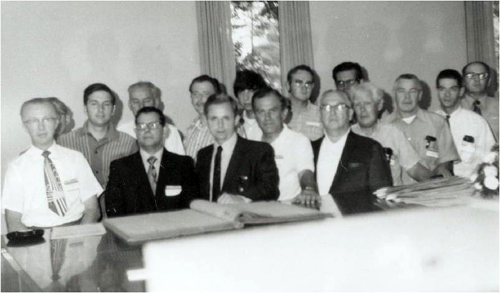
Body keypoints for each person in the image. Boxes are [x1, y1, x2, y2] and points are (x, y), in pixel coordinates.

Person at [3, 98, 102, 231]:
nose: (41, 126)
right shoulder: (16, 168)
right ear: (25, 126)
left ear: (56, 123)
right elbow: (13, 221)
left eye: (47, 119)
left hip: (77, 231)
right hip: (35, 235)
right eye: (33, 121)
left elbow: (92, 209)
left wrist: (79, 235)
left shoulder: (76, 159)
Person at [105, 107, 198, 217]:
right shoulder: (120, 167)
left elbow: (191, 205)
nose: (147, 130)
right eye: (141, 126)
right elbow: (114, 211)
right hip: (133, 232)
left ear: (164, 131)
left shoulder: (183, 164)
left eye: (153, 125)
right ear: (136, 132)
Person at [312, 90, 392, 214]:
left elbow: (382, 198)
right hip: (314, 226)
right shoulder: (309, 149)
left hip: (355, 227)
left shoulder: (370, 148)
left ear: (350, 114)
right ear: (319, 114)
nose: (332, 112)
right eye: (327, 107)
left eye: (339, 107)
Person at [196, 94, 279, 203]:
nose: (220, 125)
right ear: (207, 122)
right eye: (214, 119)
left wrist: (242, 198)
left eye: (226, 118)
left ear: (236, 120)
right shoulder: (203, 155)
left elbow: (271, 190)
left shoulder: (258, 151)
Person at [349, 82, 432, 185]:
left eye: (367, 103)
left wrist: (439, 182)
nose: (362, 109)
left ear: (379, 106)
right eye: (357, 104)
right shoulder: (347, 136)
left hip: (392, 196)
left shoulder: (392, 133)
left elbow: (414, 169)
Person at [383, 74, 460, 184]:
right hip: (395, 194)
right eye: (401, 91)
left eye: (412, 91)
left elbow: (447, 159)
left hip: (429, 193)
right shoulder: (383, 127)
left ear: (420, 95)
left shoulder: (437, 122)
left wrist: (442, 169)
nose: (407, 97)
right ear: (394, 94)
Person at [58, 83, 137, 188]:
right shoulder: (64, 142)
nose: (100, 109)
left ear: (113, 110)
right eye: (94, 104)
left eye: (106, 104)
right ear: (85, 108)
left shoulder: (129, 143)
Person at [252, 87, 319, 207]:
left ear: (283, 113)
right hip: (257, 210)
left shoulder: (299, 141)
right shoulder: (250, 139)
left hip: (289, 210)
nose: (267, 117)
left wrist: (308, 189)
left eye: (272, 110)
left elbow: (305, 172)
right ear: (255, 115)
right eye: (261, 112)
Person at [435, 69, 495, 178]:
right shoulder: (429, 121)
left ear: (461, 91)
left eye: (453, 89)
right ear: (437, 91)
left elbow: (491, 158)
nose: (447, 94)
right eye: (442, 89)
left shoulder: (477, 122)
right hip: (436, 185)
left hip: (468, 184)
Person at [117, 81, 185, 155]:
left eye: (146, 101)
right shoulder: (121, 132)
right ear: (130, 105)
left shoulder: (170, 131)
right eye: (136, 102)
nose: (141, 106)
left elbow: (178, 164)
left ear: (156, 102)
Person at [184, 75, 221, 160]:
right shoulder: (191, 129)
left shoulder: (226, 127)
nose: (200, 99)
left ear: (216, 96)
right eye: (195, 94)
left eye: (205, 94)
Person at [460, 61, 499, 140]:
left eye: (482, 75)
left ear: (489, 81)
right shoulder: (455, 108)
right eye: (471, 75)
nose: (477, 79)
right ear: (463, 81)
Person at [286, 65, 323, 141]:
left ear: (312, 87)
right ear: (288, 85)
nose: (304, 88)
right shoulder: (279, 113)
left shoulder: (321, 114)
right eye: (298, 83)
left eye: (308, 84)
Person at [233, 70, 268, 141]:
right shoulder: (235, 122)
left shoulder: (269, 121)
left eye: (251, 91)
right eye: (241, 92)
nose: (246, 97)